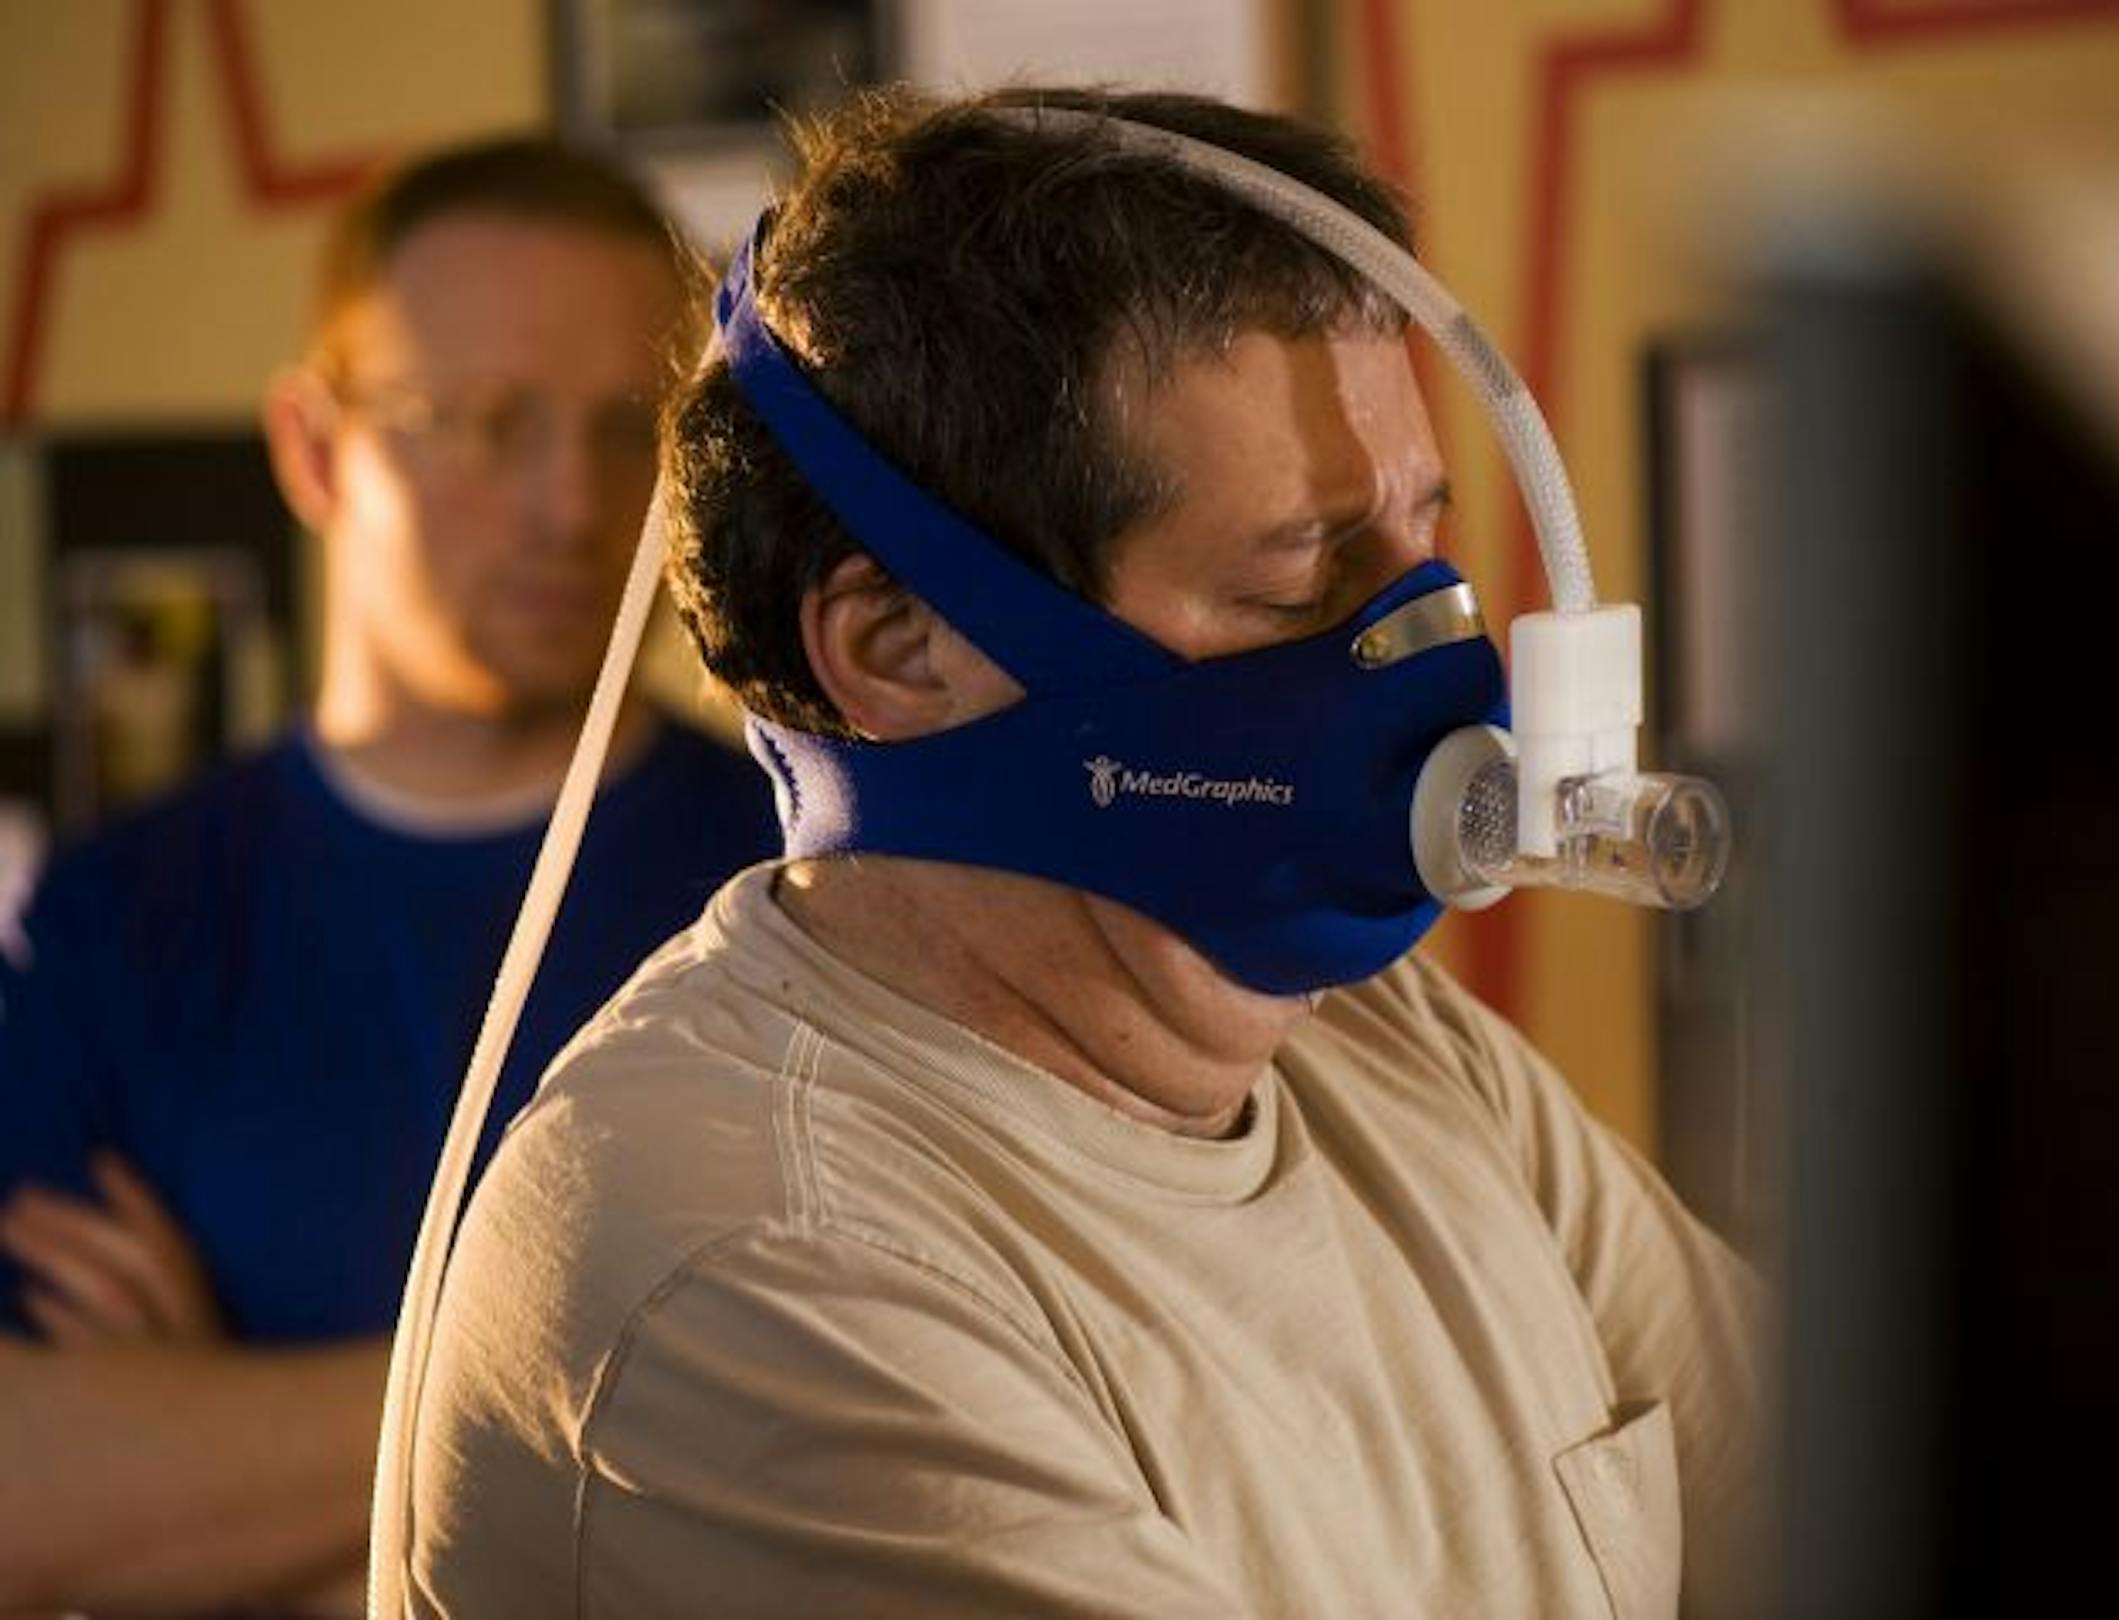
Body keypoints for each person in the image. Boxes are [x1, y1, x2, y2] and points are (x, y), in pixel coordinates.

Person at [404, 88, 1761, 1617]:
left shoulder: (1404, 1062)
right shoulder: (744, 1265)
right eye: (1307, 579)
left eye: (1422, 541)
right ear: (899, 648)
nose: (1429, 649)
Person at [0, 137, 777, 1615]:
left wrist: (207, 1435)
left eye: (629, 425)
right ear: (312, 450)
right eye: (485, 422)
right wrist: (627, 1386)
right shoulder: (116, 921)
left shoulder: (796, 887)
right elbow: (27, 1496)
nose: (570, 504)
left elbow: (844, 1457)